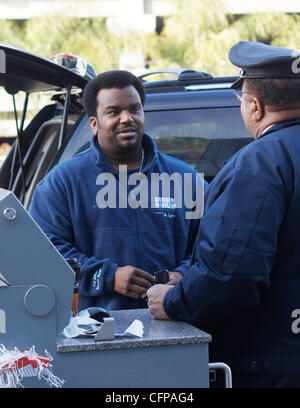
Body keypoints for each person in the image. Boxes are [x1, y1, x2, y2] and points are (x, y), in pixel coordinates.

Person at [147, 41, 300, 388]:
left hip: (271, 366)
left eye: (240, 100)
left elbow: (232, 276)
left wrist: (172, 301)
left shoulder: (260, 162)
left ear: (255, 106)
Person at [29, 70, 204, 313]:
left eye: (135, 109)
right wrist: (108, 276)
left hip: (174, 325)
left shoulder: (185, 178)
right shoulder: (62, 183)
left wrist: (185, 275)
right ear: (94, 123)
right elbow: (43, 252)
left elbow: (211, 243)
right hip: (94, 332)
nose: (127, 118)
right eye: (113, 112)